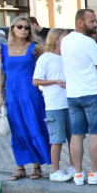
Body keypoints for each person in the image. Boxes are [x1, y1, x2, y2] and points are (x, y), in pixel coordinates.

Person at [61, 9, 97, 185]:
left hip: (73, 94)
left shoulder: (65, 41)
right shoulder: (89, 42)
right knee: (96, 133)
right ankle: (95, 173)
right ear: (80, 22)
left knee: (77, 134)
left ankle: (78, 173)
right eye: (92, 21)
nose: (96, 24)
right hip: (92, 92)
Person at [0, 16, 51, 179]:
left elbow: (50, 61)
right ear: (12, 28)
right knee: (17, 130)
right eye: (19, 26)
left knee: (34, 127)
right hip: (12, 94)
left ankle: (37, 165)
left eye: (27, 27)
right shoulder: (2, 48)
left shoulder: (34, 47)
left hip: (30, 93)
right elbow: (1, 73)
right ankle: (19, 166)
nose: (23, 30)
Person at [33, 29, 76, 182]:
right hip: (54, 104)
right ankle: (55, 170)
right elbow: (36, 80)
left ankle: (74, 166)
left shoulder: (68, 57)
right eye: (64, 37)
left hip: (70, 101)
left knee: (73, 137)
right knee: (57, 139)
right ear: (56, 40)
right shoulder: (46, 58)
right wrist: (54, 81)